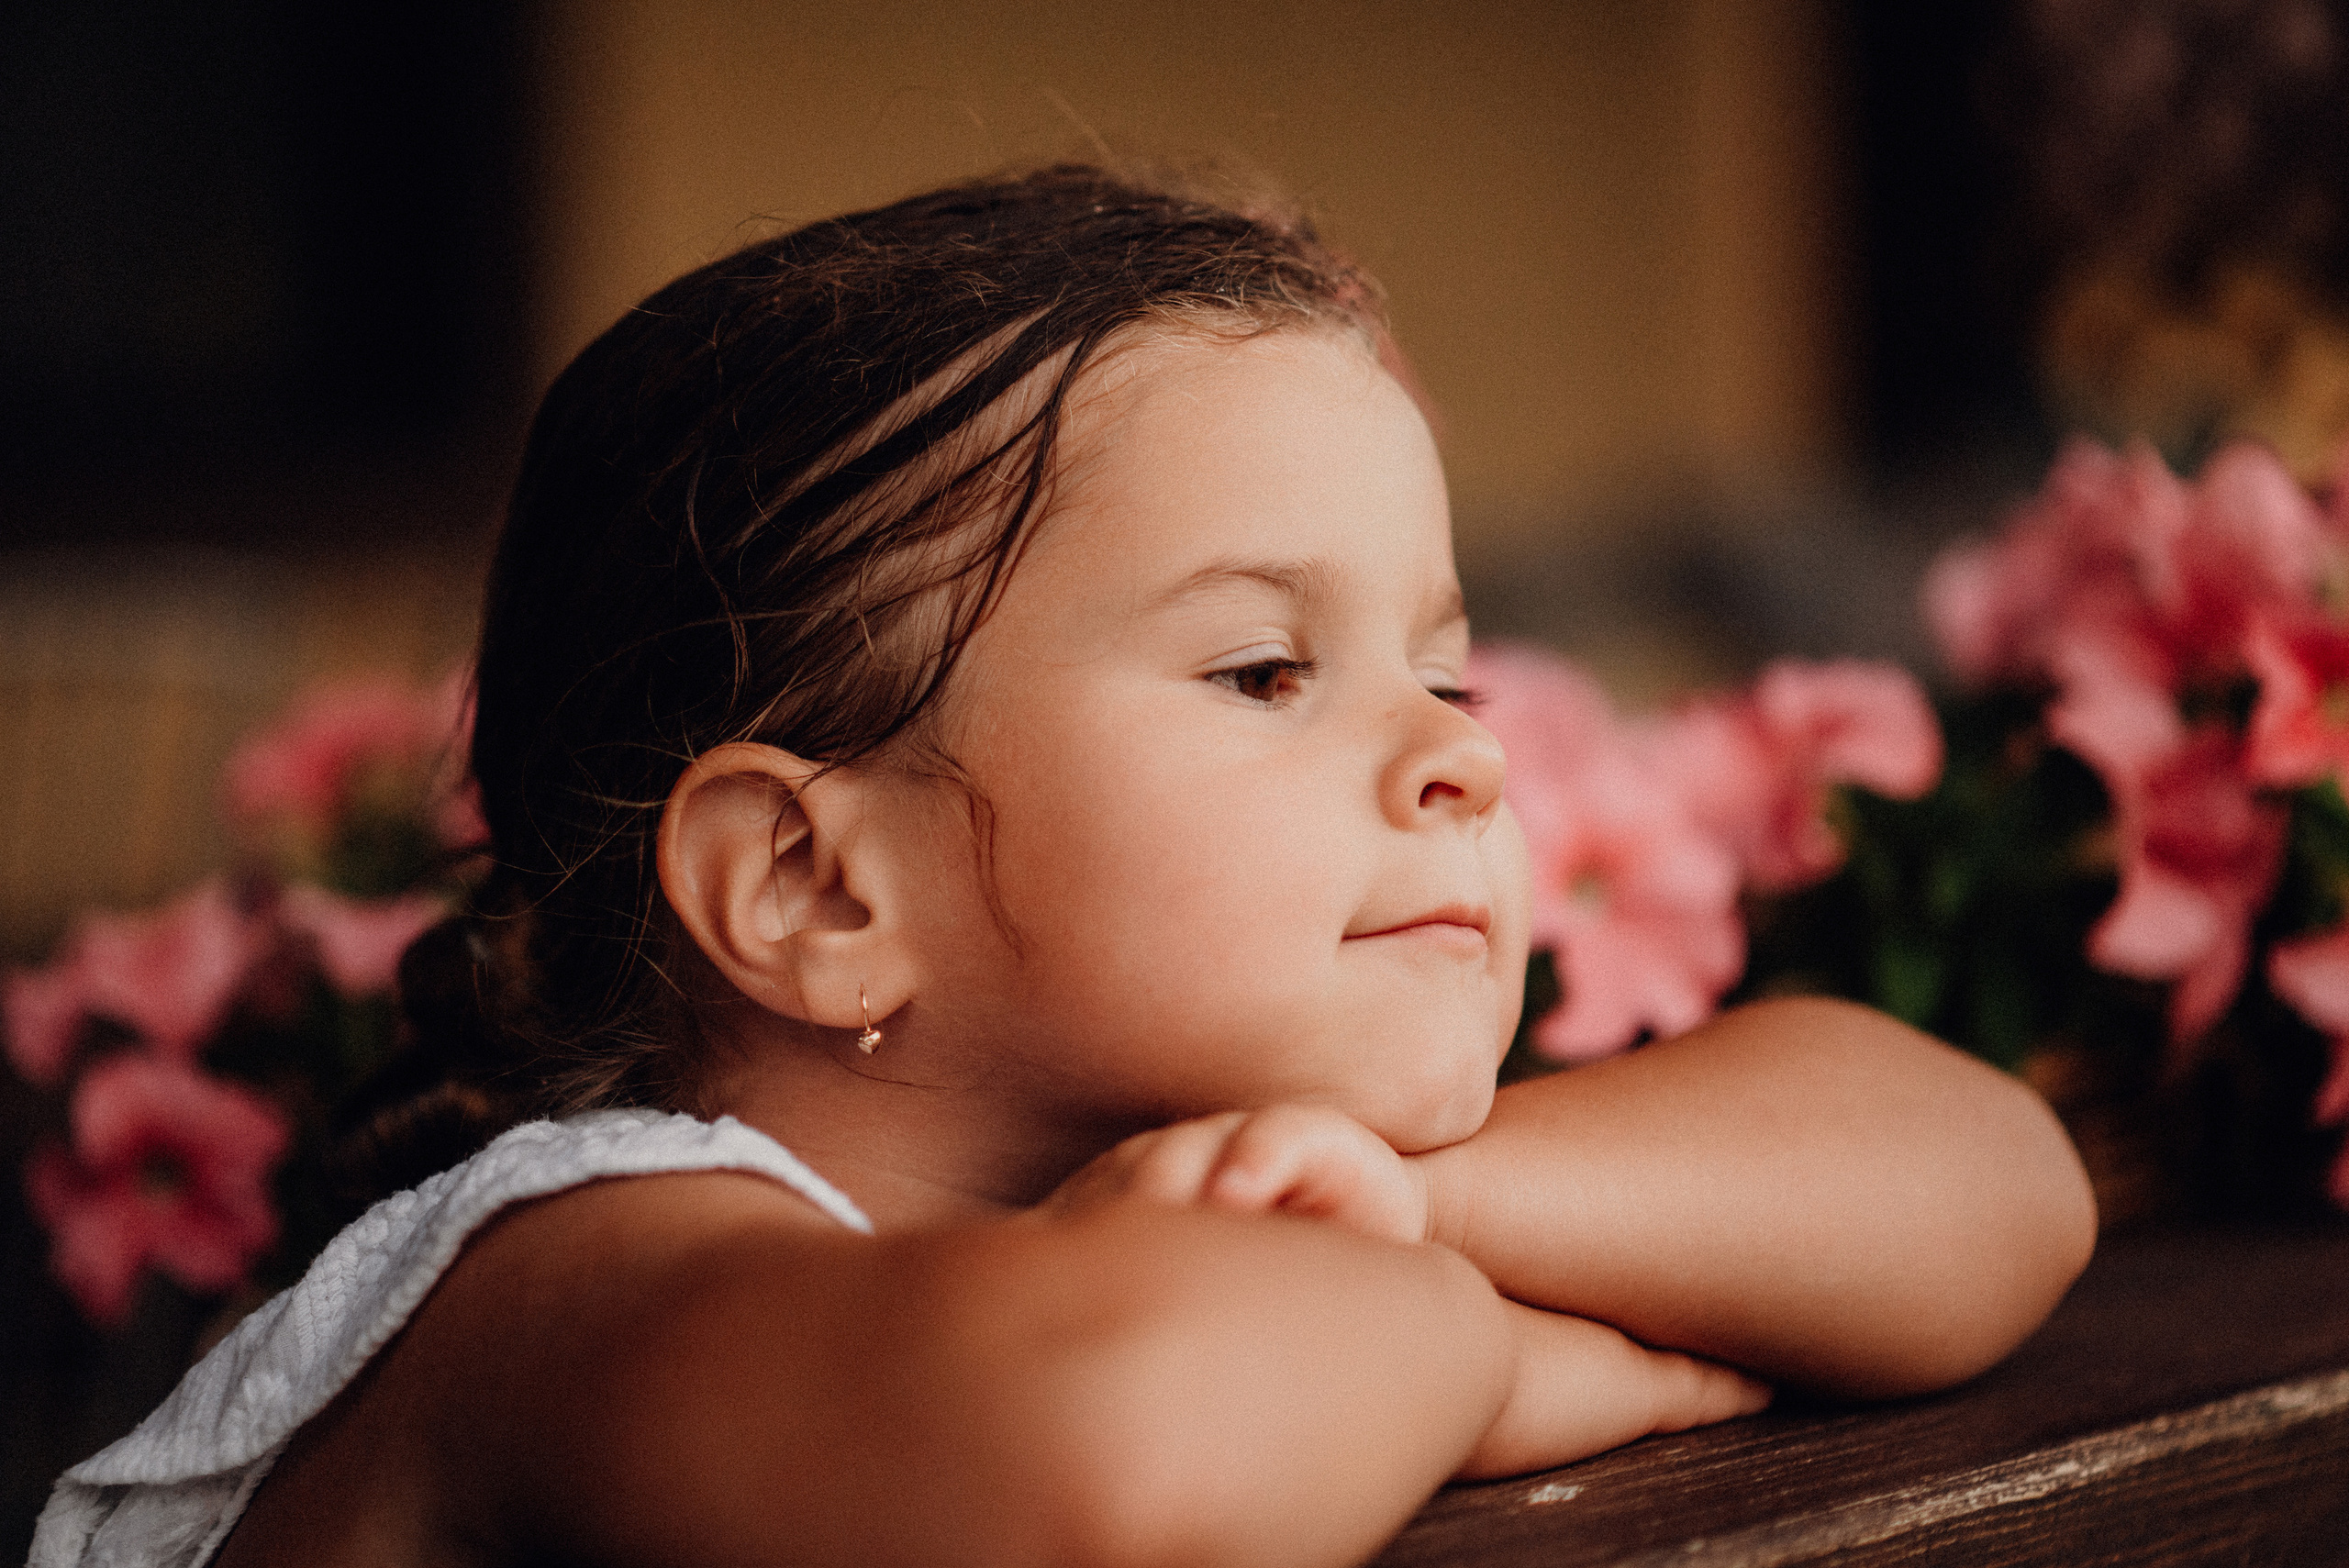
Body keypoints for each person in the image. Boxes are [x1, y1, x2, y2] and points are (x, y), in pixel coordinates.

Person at [34, 165, 2096, 1568]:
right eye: (1268, 668)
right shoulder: (570, 1286)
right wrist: (1527, 1348)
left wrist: (1413, 1201)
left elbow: (1984, 1184)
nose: (1457, 756)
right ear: (812, 892)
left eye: (1445, 669)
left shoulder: (1174, 1157)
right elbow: (1120, 1457)